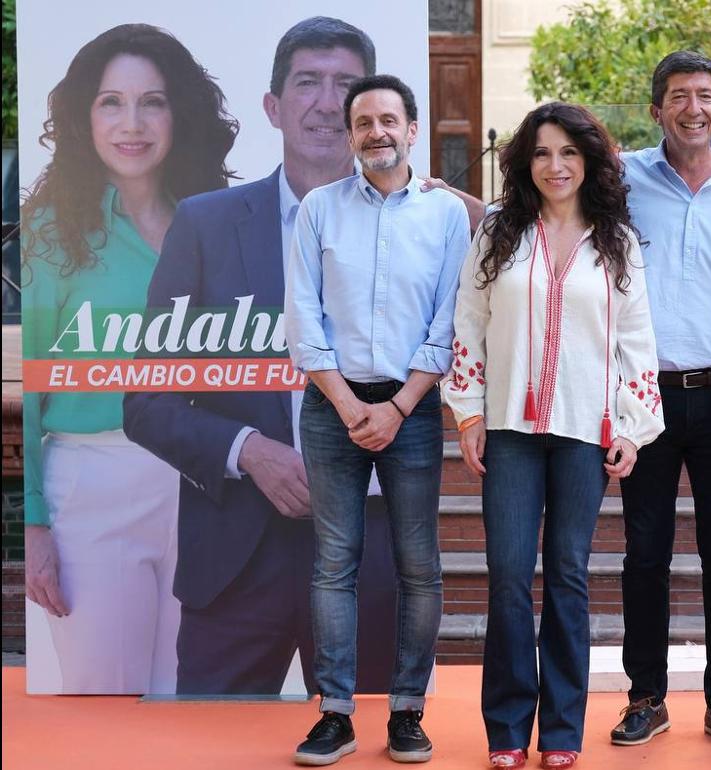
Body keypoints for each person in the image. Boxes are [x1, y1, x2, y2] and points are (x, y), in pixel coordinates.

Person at [123, 16, 411, 697]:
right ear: (273, 106)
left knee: (372, 736)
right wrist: (249, 451)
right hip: (236, 554)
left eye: (345, 86)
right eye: (307, 82)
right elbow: (146, 402)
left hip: (370, 551)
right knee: (211, 740)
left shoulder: (420, 226)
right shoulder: (206, 224)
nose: (325, 102)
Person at [445, 102, 663, 770]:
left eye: (569, 152)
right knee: (509, 575)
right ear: (525, 162)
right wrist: (469, 413)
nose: (555, 165)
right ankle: (507, 726)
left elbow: (636, 339)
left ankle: (563, 729)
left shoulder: (617, 242)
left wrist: (633, 426)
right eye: (542, 152)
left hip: (584, 432)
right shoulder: (498, 233)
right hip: (509, 429)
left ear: (589, 161)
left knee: (568, 575)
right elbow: (469, 321)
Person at [21, 23, 237, 694]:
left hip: (201, 485)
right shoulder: (52, 231)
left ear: (180, 114)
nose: (132, 123)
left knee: (190, 703)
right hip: (93, 483)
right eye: (111, 102)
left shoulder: (214, 222)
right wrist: (33, 523)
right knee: (104, 700)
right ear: (84, 117)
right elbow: (32, 385)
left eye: (153, 102)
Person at [284, 73, 468, 766]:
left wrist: (397, 407)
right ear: (351, 135)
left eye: (389, 120)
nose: (376, 132)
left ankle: (407, 710)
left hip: (411, 410)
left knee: (419, 565)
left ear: (412, 130)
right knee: (335, 563)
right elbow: (304, 319)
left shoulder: (445, 214)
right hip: (331, 406)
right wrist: (349, 404)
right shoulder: (319, 209)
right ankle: (335, 714)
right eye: (364, 122)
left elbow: (448, 322)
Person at [610, 50, 711, 752]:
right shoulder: (622, 180)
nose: (692, 108)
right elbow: (538, 208)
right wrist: (451, 197)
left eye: (704, 95)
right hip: (645, 396)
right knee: (644, 554)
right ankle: (646, 696)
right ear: (656, 110)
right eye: (678, 96)